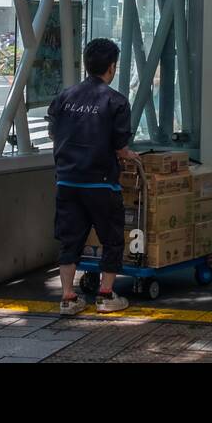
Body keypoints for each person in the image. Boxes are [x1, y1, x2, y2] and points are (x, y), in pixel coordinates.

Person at [47, 39, 134, 315]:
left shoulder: (64, 98)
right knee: (111, 238)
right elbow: (120, 147)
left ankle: (68, 297)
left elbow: (53, 132)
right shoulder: (116, 101)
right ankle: (106, 295)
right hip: (101, 182)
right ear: (111, 67)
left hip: (67, 181)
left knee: (70, 239)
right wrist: (129, 156)